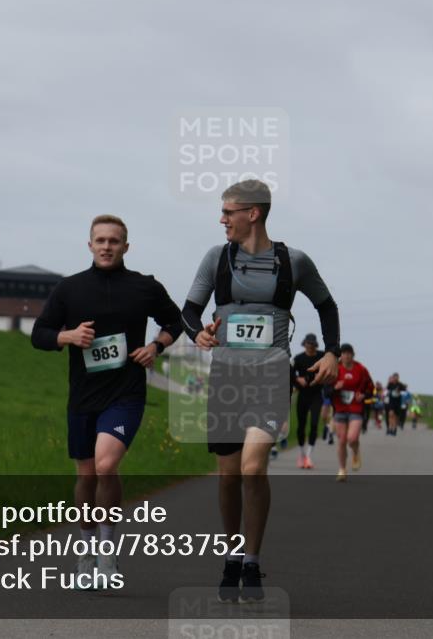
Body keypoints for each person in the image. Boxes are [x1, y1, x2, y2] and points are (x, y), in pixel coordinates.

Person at [182, 180, 340, 603]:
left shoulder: (294, 261)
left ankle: (251, 560)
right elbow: (189, 311)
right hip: (227, 379)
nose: (222, 220)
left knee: (253, 468)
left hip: (271, 375)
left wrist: (332, 354)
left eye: (228, 212)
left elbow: (327, 305)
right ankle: (232, 557)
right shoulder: (217, 258)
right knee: (229, 475)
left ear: (253, 213)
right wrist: (198, 334)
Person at [31, 214, 183, 589]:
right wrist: (69, 336)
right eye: (100, 240)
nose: (107, 246)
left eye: (114, 241)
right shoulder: (69, 288)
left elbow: (176, 321)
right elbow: (39, 334)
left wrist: (155, 346)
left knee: (105, 464)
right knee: (86, 475)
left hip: (126, 393)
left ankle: (108, 553)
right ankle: (85, 552)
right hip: (83, 396)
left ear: (125, 247)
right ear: (89, 245)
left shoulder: (144, 287)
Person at [331, 344, 374, 482]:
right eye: (344, 353)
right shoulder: (335, 369)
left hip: (356, 408)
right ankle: (342, 469)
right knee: (342, 441)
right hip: (340, 409)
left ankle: (355, 451)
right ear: (340, 355)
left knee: (352, 438)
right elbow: (326, 391)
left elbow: (370, 387)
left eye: (349, 353)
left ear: (353, 355)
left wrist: (364, 395)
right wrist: (335, 388)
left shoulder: (361, 369)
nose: (347, 356)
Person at [292, 333, 325, 469]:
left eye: (312, 344)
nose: (310, 346)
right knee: (301, 425)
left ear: (315, 344)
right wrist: (297, 380)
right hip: (303, 394)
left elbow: (330, 367)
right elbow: (289, 372)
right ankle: (301, 454)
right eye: (308, 343)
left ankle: (309, 456)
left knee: (314, 424)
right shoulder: (298, 358)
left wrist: (321, 374)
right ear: (304, 343)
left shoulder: (321, 356)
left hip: (317, 394)